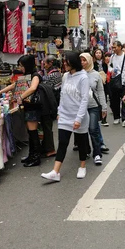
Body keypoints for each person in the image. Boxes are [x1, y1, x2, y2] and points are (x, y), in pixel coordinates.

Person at [41, 52, 91, 182]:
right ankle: (55, 172)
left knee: (81, 142)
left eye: (66, 62)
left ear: (73, 63)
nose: (64, 64)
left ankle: (82, 166)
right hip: (65, 115)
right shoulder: (65, 76)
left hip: (78, 117)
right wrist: (59, 112)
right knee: (62, 143)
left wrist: (79, 119)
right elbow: (62, 96)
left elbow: (85, 99)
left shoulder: (83, 77)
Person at [0, 55, 43, 167]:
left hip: (33, 107)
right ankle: (31, 155)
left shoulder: (35, 75)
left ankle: (36, 157)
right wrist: (1, 91)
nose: (20, 68)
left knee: (33, 133)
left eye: (21, 65)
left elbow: (33, 88)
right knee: (30, 133)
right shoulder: (26, 76)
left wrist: (21, 97)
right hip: (28, 107)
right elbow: (14, 85)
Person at [80, 53, 108, 165]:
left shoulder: (96, 75)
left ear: (89, 61)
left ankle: (97, 154)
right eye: (80, 60)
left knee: (93, 129)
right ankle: (86, 150)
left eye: (84, 60)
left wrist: (104, 107)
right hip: (80, 107)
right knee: (83, 131)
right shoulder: (76, 74)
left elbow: (101, 91)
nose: (82, 62)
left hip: (93, 106)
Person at [108, 41, 125, 126]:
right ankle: (116, 117)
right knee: (114, 100)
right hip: (115, 81)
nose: (113, 49)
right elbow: (109, 66)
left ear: (120, 47)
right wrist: (111, 70)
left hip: (124, 81)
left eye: (115, 47)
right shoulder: (112, 57)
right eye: (112, 47)